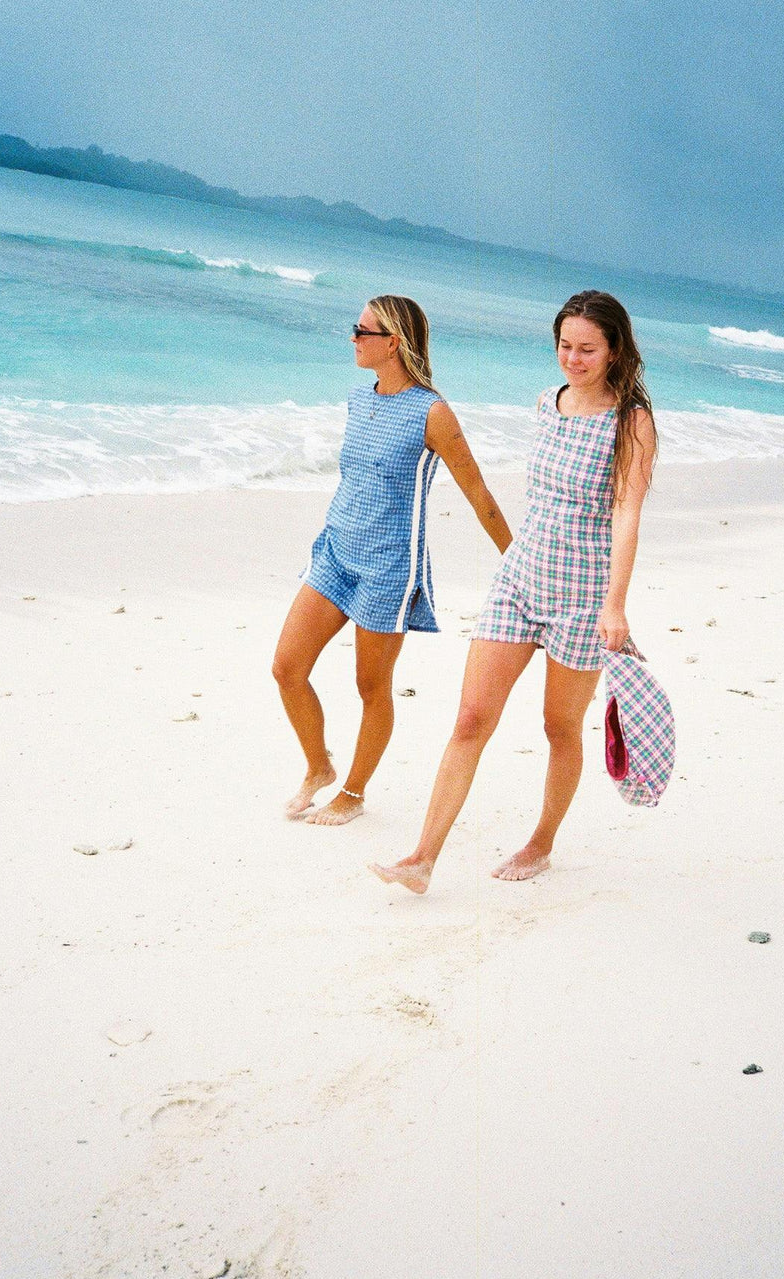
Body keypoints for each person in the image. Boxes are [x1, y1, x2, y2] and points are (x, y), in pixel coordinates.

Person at [370, 289, 657, 891]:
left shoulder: (631, 422)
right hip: (519, 581)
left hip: (582, 597)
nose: (572, 360)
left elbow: (627, 514)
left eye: (586, 349)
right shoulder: (546, 404)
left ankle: (541, 842)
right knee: (472, 717)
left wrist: (616, 605)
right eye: (564, 346)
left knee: (559, 729)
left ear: (613, 351)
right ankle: (421, 859)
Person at [273, 294, 512, 826]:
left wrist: (516, 560)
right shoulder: (360, 400)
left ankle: (353, 794)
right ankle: (319, 767)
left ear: (394, 342)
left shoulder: (433, 412)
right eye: (354, 329)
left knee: (370, 687)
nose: (353, 338)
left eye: (362, 331)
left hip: (388, 567)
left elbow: (477, 491)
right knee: (287, 668)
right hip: (335, 551)